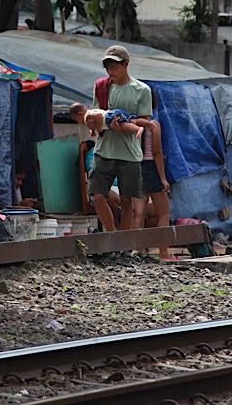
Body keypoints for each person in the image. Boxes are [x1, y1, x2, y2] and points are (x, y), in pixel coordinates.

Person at [89, 45, 152, 232]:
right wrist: (93, 124)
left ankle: (123, 244)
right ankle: (111, 233)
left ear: (126, 64)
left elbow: (144, 122)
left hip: (129, 154)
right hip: (104, 150)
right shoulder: (101, 87)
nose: (111, 71)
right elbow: (96, 115)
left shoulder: (142, 90)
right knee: (97, 196)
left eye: (115, 66)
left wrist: (125, 127)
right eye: (108, 67)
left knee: (126, 201)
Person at [134, 114, 179, 262]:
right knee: (164, 212)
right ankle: (164, 252)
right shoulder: (153, 125)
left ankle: (138, 250)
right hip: (151, 167)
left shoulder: (130, 122)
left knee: (139, 213)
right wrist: (163, 178)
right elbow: (157, 152)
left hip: (136, 167)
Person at [69, 102, 145, 139]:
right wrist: (92, 131)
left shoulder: (87, 117)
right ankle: (146, 124)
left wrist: (99, 128)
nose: (78, 122)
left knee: (123, 125)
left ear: (80, 114)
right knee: (132, 120)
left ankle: (138, 129)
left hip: (109, 118)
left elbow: (98, 116)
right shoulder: (89, 113)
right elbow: (93, 123)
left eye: (77, 120)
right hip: (112, 114)